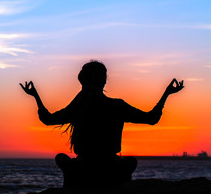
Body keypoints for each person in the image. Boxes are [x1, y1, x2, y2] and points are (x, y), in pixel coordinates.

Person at [20, 60, 184, 187]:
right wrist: (167, 94)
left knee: (62, 159)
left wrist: (35, 96)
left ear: (82, 81)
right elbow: (152, 118)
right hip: (111, 167)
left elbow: (48, 119)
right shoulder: (116, 105)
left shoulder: (78, 106)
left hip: (83, 167)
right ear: (104, 81)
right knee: (130, 162)